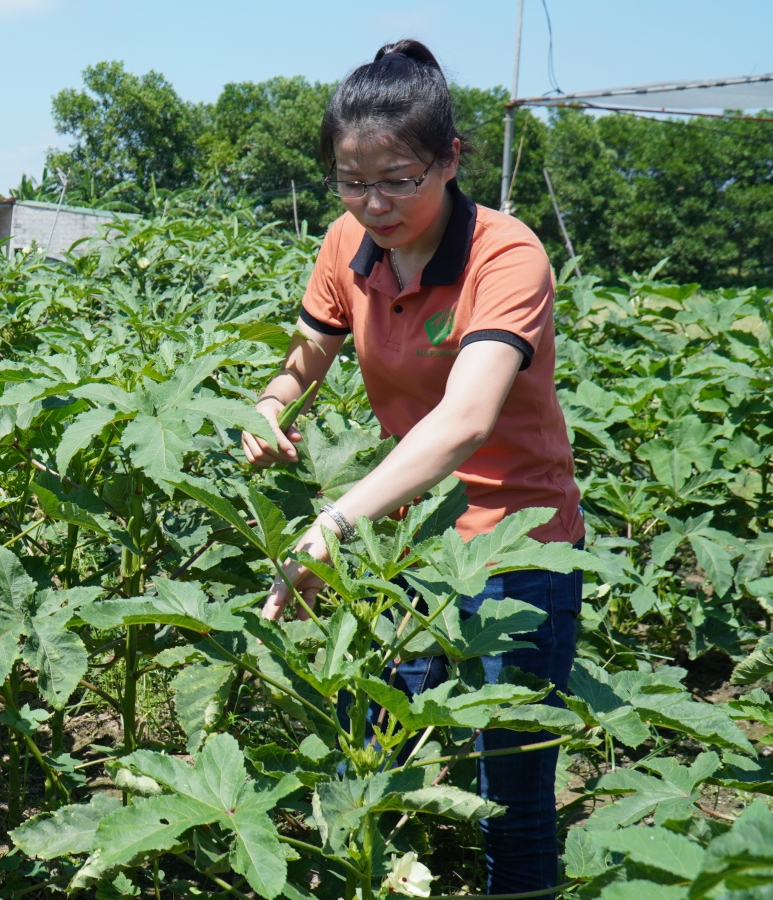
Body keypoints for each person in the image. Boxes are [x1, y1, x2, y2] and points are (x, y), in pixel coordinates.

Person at [239, 39, 585, 898]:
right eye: (353, 182)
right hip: (407, 544)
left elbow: (466, 421)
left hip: (518, 547)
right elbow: (305, 358)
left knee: (510, 792)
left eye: (399, 179)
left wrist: (332, 522)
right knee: (371, 753)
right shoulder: (346, 244)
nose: (375, 204)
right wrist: (271, 406)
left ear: (451, 159)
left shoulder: (507, 257)